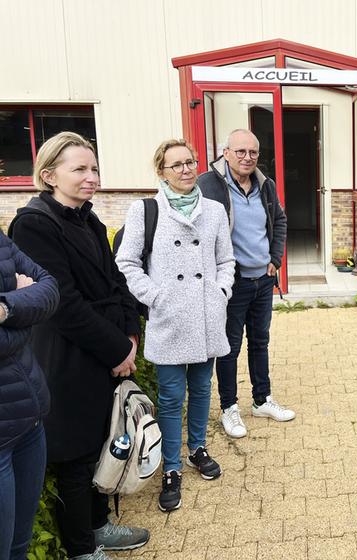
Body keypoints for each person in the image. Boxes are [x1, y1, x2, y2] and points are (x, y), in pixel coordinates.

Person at [9, 132, 149, 560]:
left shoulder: (88, 218)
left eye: (94, 168)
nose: (92, 178)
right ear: (49, 175)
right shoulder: (33, 224)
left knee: (101, 441)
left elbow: (116, 280)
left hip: (103, 344)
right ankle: (81, 549)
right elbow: (63, 304)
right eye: (80, 170)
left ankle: (98, 525)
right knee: (75, 455)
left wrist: (130, 332)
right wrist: (116, 349)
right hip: (67, 355)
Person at [115, 139, 235, 512]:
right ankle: (170, 466)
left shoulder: (214, 210)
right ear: (161, 172)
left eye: (190, 162)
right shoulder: (145, 210)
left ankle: (197, 448)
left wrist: (221, 291)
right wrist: (155, 296)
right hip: (169, 318)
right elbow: (127, 261)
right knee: (170, 397)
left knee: (202, 388)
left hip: (206, 316)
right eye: (176, 165)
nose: (186, 170)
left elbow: (226, 259)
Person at [197, 128, 293, 439]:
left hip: (263, 280)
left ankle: (261, 400)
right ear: (225, 153)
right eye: (240, 151)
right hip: (232, 283)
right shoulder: (207, 185)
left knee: (260, 341)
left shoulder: (265, 185)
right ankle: (229, 407)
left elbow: (279, 221)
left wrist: (275, 259)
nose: (247, 157)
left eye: (253, 152)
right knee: (229, 348)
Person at [0, 232, 59, 560]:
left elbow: (49, 287)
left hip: (29, 421)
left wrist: (7, 308)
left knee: (18, 547)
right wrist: (25, 311)